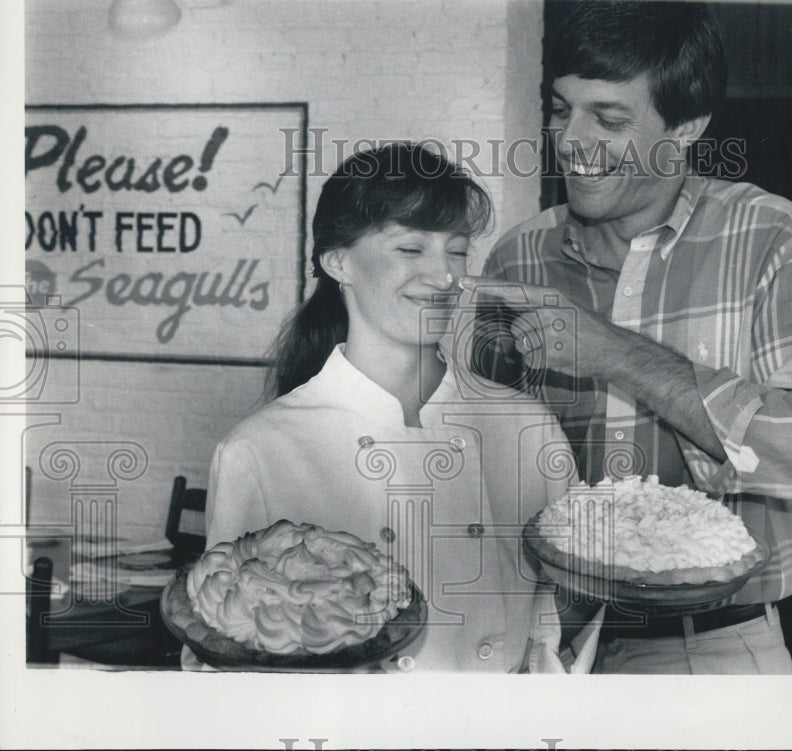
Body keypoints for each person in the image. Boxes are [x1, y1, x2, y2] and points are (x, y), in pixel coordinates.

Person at [465, 0, 792, 674]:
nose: (570, 139)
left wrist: (613, 351)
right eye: (561, 109)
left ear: (687, 128)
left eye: (608, 118)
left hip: (711, 650)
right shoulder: (517, 258)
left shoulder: (772, 238)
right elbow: (487, 466)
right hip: (549, 644)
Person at [204, 143, 596, 673]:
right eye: (411, 250)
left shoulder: (526, 426)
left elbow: (568, 599)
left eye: (457, 251)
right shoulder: (259, 449)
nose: (444, 276)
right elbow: (232, 641)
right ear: (338, 261)